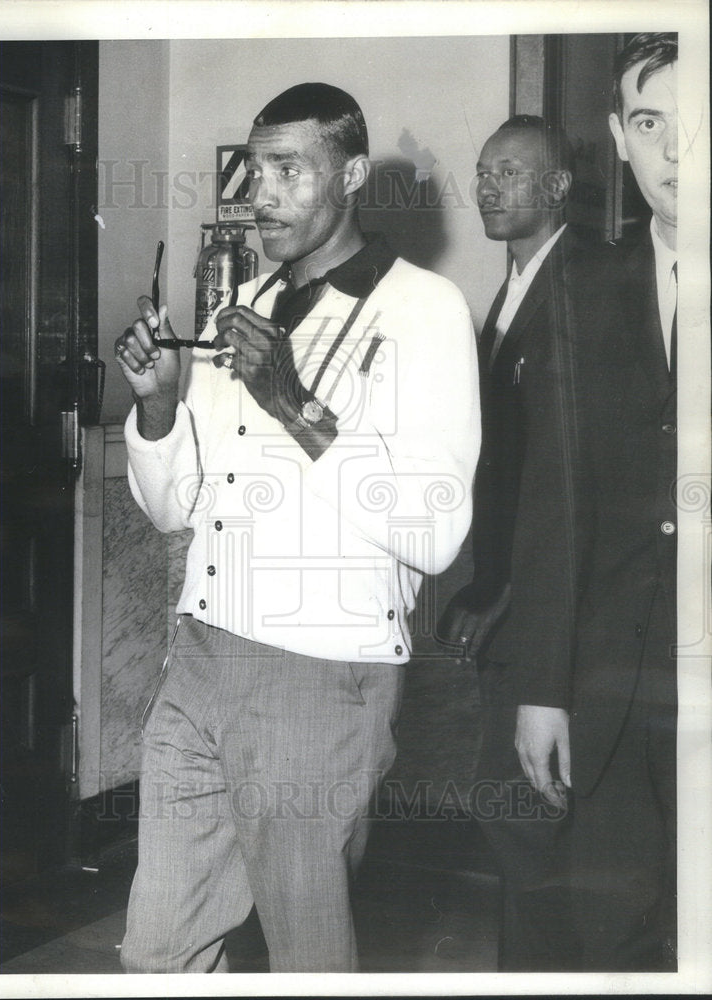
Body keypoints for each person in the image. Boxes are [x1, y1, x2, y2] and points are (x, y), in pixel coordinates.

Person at [113, 82, 480, 973]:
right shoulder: (240, 303)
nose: (261, 195)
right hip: (199, 657)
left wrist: (292, 403)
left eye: (289, 170)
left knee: (306, 955)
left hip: (319, 675)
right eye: (254, 170)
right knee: (156, 952)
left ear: (350, 176)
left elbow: (435, 532)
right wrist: (158, 409)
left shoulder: (424, 309)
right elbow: (175, 507)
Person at [500, 33, 679, 969]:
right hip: (610, 693)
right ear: (617, 138)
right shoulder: (583, 288)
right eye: (649, 124)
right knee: (612, 941)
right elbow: (552, 507)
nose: (676, 151)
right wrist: (542, 688)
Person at [438, 115, 589, 969]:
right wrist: (484, 578)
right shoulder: (513, 290)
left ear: (557, 187)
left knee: (526, 815)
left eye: (509, 172)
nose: (487, 187)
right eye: (481, 171)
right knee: (516, 815)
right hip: (513, 598)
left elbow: (564, 484)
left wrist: (505, 589)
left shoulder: (581, 288)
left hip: (553, 613)